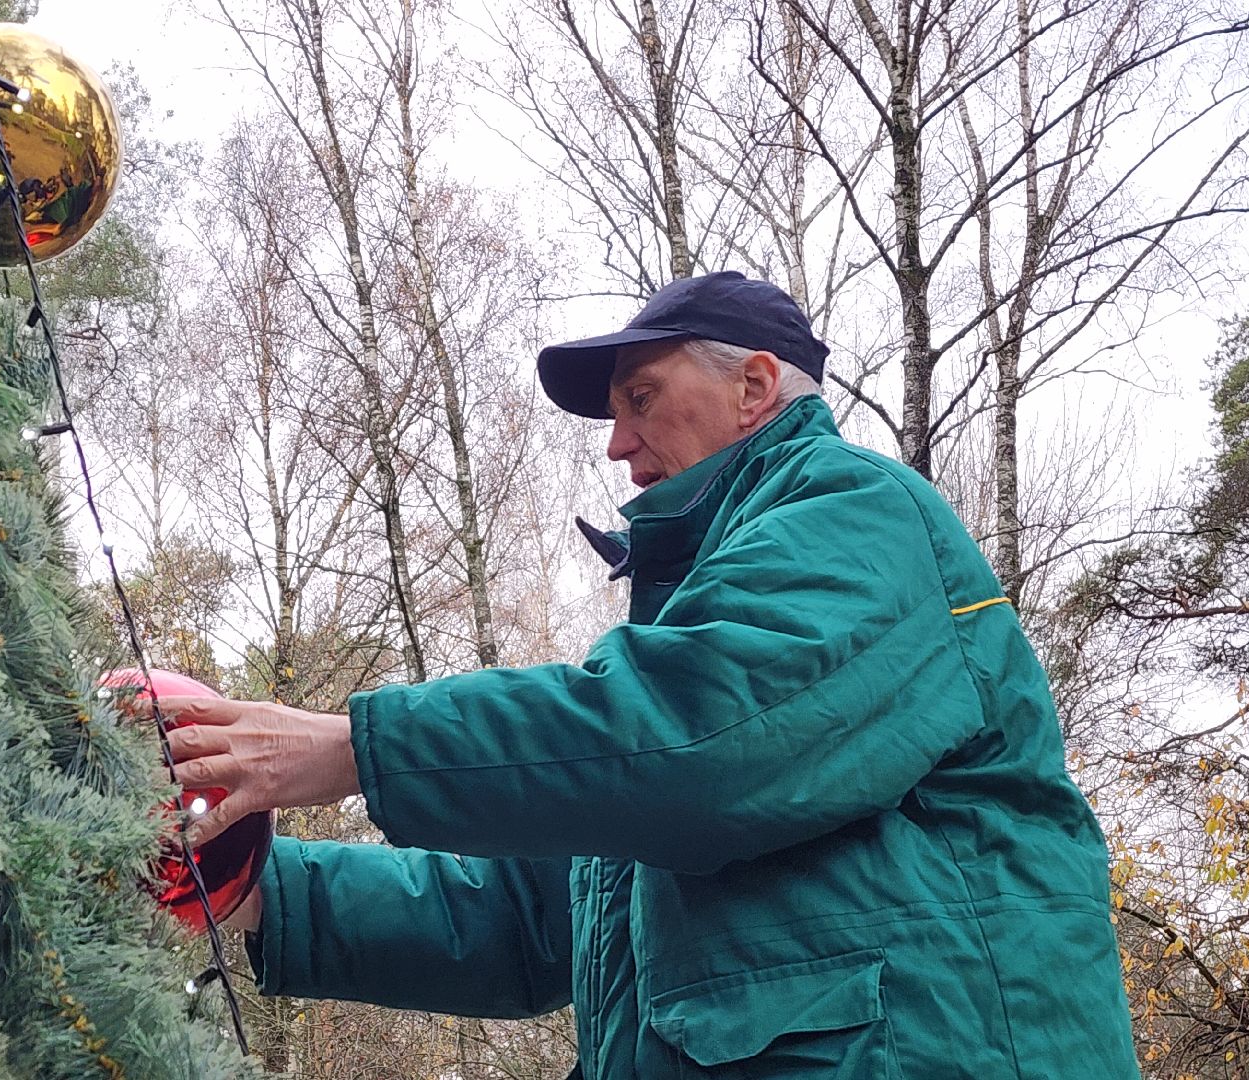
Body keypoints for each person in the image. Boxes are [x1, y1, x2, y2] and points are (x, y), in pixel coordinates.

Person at [158, 272, 1139, 1078]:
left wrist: (350, 748)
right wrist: (255, 890)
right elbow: (523, 917)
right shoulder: (696, 632)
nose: (616, 442)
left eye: (640, 399)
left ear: (754, 388)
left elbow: (700, 742)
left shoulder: (858, 514)